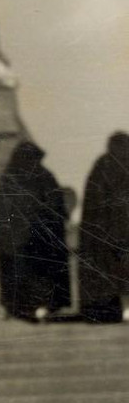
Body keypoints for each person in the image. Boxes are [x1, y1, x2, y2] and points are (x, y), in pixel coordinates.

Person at [0, 140, 71, 321]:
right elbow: (56, 208)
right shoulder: (43, 176)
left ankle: (17, 309)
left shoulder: (7, 178)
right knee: (39, 278)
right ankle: (40, 308)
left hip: (14, 244)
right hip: (37, 241)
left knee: (17, 278)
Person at [77, 132, 129, 325]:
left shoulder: (101, 166)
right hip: (121, 232)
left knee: (104, 277)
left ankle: (109, 311)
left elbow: (93, 203)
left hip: (100, 234)